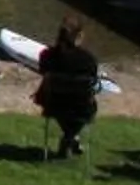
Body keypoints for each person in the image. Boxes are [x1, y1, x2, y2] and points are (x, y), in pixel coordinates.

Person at [34, 15, 98, 157]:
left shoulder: (47, 55)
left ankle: (69, 137)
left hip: (53, 105)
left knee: (61, 103)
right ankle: (70, 137)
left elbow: (43, 74)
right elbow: (91, 83)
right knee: (84, 107)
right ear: (79, 35)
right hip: (81, 107)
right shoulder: (88, 59)